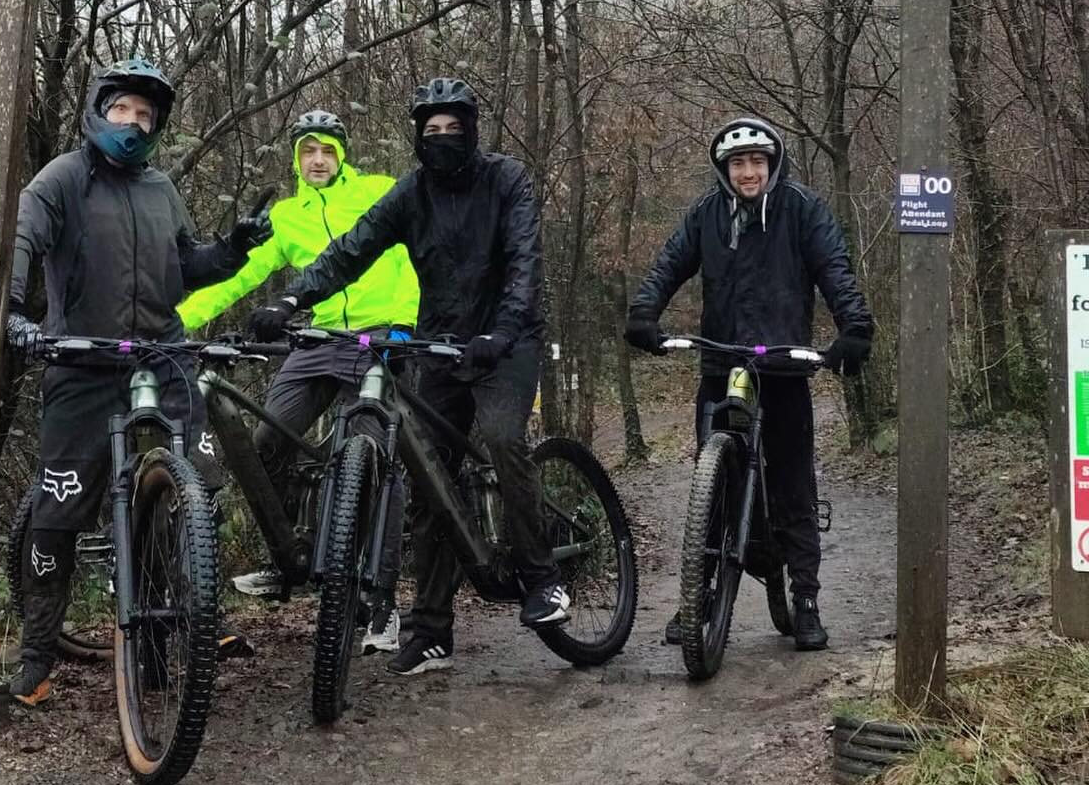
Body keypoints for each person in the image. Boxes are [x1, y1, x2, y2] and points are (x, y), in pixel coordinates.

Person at [249, 77, 568, 676]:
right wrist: (290, 303)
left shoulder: (507, 179)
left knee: (501, 440)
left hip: (508, 341)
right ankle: (431, 631)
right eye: (431, 130)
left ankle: (542, 578)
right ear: (418, 137)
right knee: (429, 480)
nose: (443, 139)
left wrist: (500, 333)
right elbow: (350, 251)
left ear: (472, 131)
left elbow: (525, 262)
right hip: (439, 342)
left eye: (454, 128)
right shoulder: (411, 193)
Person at [4, 58, 272, 706]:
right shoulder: (62, 178)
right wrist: (14, 312)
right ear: (100, 110)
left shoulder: (160, 188)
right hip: (82, 361)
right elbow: (21, 239)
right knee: (58, 511)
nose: (133, 122)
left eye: (145, 115)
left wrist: (232, 248)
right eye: (123, 109)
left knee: (199, 489)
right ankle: (38, 655)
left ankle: (194, 619)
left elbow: (186, 269)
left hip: (163, 355)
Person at [623, 117, 874, 651]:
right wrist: (645, 312)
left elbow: (835, 270)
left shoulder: (802, 210)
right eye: (738, 163)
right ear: (724, 170)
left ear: (772, 163)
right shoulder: (705, 215)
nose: (748, 171)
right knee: (708, 487)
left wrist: (854, 328)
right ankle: (702, 595)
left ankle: (804, 597)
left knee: (793, 487)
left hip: (782, 369)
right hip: (721, 364)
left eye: (757, 161)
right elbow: (669, 265)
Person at [180, 109, 420, 652]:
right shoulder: (287, 217)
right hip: (317, 340)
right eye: (308, 151)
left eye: (328, 151)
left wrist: (406, 323)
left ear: (343, 154)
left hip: (382, 335)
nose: (318, 160)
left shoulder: (379, 192)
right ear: (296, 159)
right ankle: (294, 556)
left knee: (376, 453)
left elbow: (408, 259)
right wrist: (176, 322)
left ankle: (380, 601)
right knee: (264, 446)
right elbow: (240, 275)